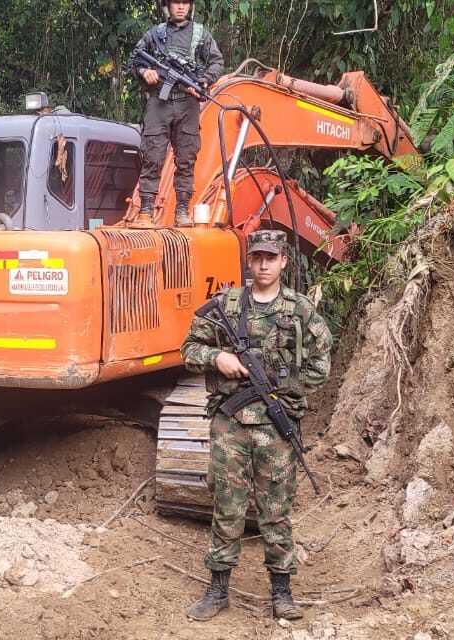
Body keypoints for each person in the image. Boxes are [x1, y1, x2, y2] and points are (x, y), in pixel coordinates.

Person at [179, 230, 333, 621]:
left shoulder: (299, 310)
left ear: (284, 261)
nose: (264, 264)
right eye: (257, 257)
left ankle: (282, 592)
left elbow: (321, 362)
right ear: (250, 261)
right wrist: (218, 358)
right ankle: (217, 591)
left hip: (276, 429)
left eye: (272, 257)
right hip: (230, 424)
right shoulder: (226, 306)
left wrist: (285, 391)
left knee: (275, 509)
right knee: (226, 506)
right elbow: (188, 349)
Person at [127, 0, 224, 227]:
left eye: (184, 3)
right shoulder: (155, 34)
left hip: (187, 104)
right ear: (167, 6)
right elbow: (134, 60)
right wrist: (145, 71)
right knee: (152, 157)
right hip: (158, 103)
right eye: (175, 2)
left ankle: (182, 211)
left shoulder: (201, 34)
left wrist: (203, 80)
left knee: (186, 160)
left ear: (190, 6)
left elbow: (217, 62)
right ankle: (146, 212)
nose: (180, 7)